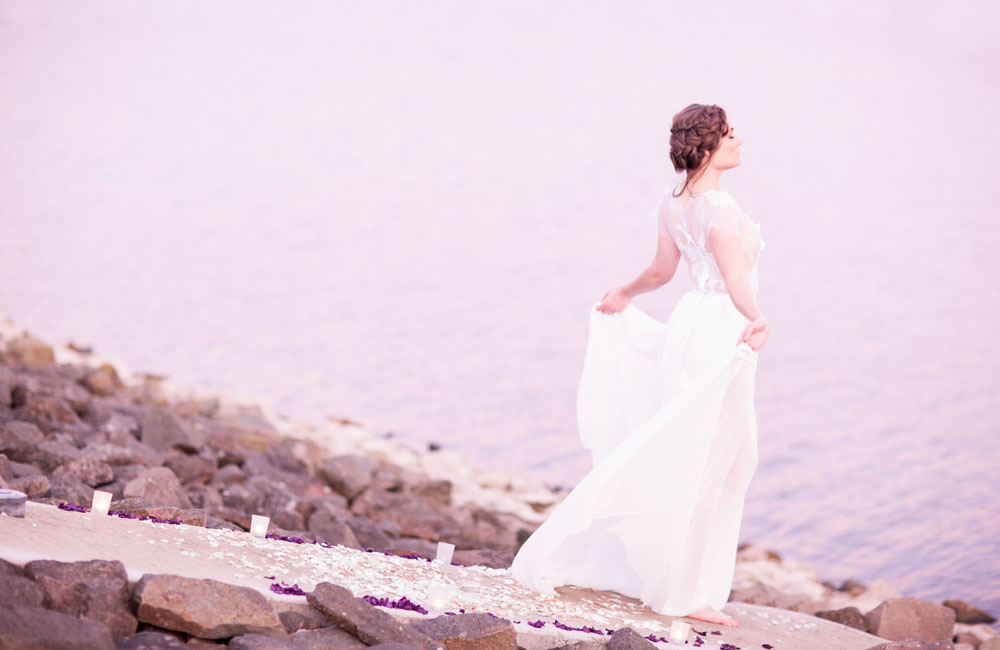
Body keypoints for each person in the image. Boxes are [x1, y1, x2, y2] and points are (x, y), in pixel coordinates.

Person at [509, 104, 767, 628]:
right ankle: (682, 591)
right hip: (720, 329)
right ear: (709, 144)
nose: (739, 141)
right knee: (713, 462)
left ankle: (675, 576)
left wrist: (625, 292)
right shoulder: (719, 208)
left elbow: (660, 271)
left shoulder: (672, 203)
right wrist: (759, 318)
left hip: (691, 324)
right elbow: (737, 278)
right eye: (730, 134)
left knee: (710, 456)